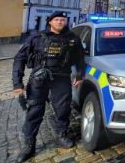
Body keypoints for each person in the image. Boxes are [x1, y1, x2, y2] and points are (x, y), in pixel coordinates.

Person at [12, 11, 85, 162]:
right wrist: (17, 82)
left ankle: (61, 134)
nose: (60, 22)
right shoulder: (37, 38)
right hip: (39, 79)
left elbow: (80, 57)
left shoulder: (73, 38)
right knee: (35, 110)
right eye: (57, 20)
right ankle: (29, 144)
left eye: (62, 20)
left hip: (62, 78)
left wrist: (79, 75)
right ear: (50, 22)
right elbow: (20, 58)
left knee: (63, 108)